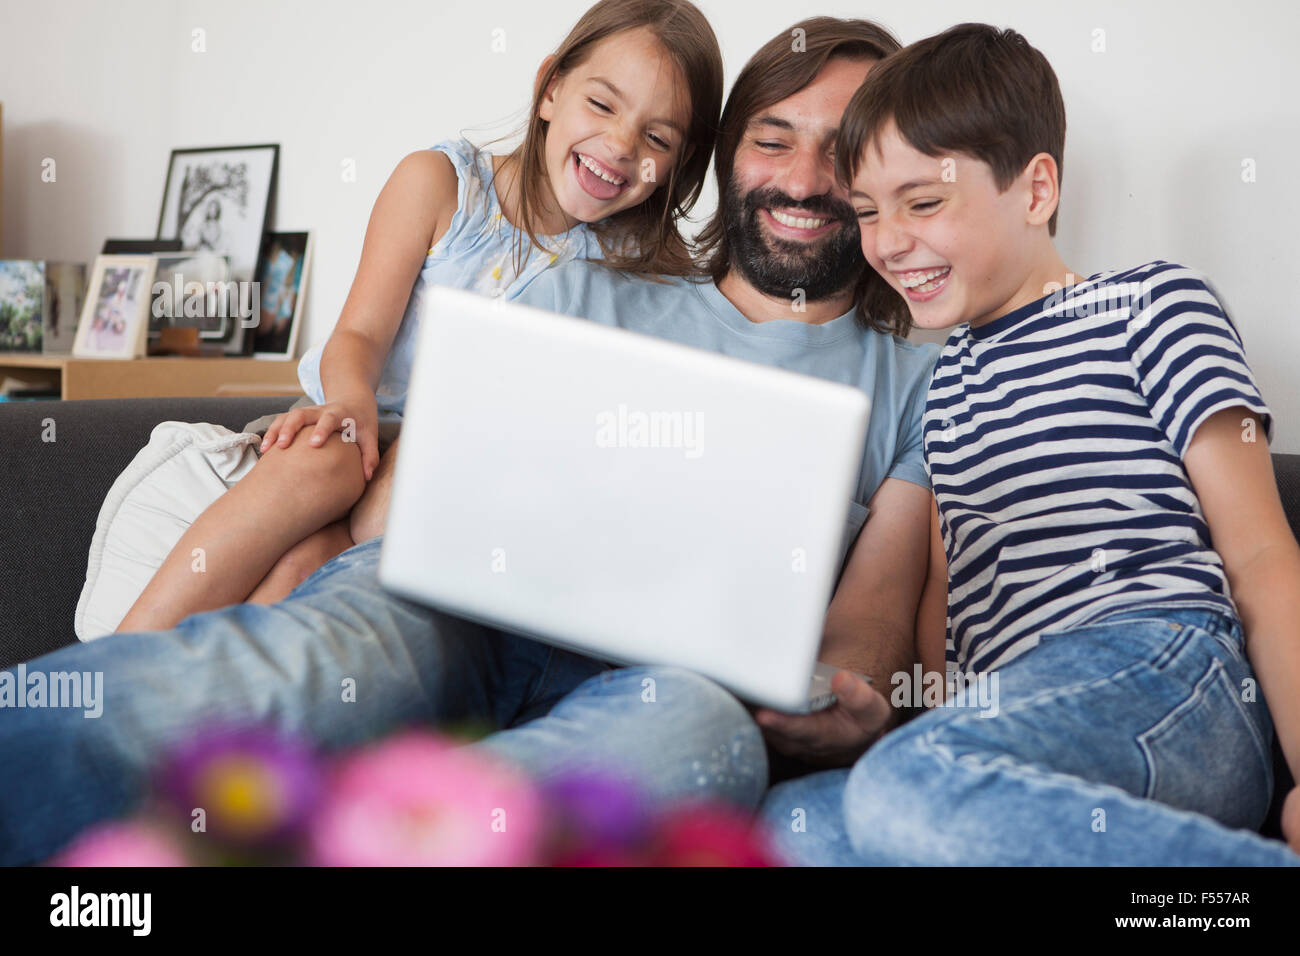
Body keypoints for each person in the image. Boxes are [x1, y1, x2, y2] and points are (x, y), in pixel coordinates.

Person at [0, 16, 937, 866]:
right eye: (775, 140)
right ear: (730, 155)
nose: (806, 180)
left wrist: (850, 700)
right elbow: (398, 481)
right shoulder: (592, 278)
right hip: (450, 610)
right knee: (300, 672)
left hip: (676, 686)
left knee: (697, 746)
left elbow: (871, 627)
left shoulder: (916, 385)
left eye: (844, 153)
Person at [759, 22, 1300, 865]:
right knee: (796, 830)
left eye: (924, 202)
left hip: (1165, 670)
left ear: (1037, 188)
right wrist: (910, 729)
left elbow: (1263, 554)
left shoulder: (1152, 304)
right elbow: (946, 614)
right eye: (868, 212)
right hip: (1010, 715)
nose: (889, 241)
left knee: (913, 781)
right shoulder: (946, 383)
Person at [116, 0, 725, 632]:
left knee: (312, 563)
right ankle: (127, 652)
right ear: (550, 89)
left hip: (454, 475)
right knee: (329, 460)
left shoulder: (640, 271)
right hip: (360, 421)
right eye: (602, 105)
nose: (621, 146)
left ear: (678, 165)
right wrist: (349, 403)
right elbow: (357, 334)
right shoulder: (443, 186)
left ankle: (207, 706)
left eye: (657, 138)